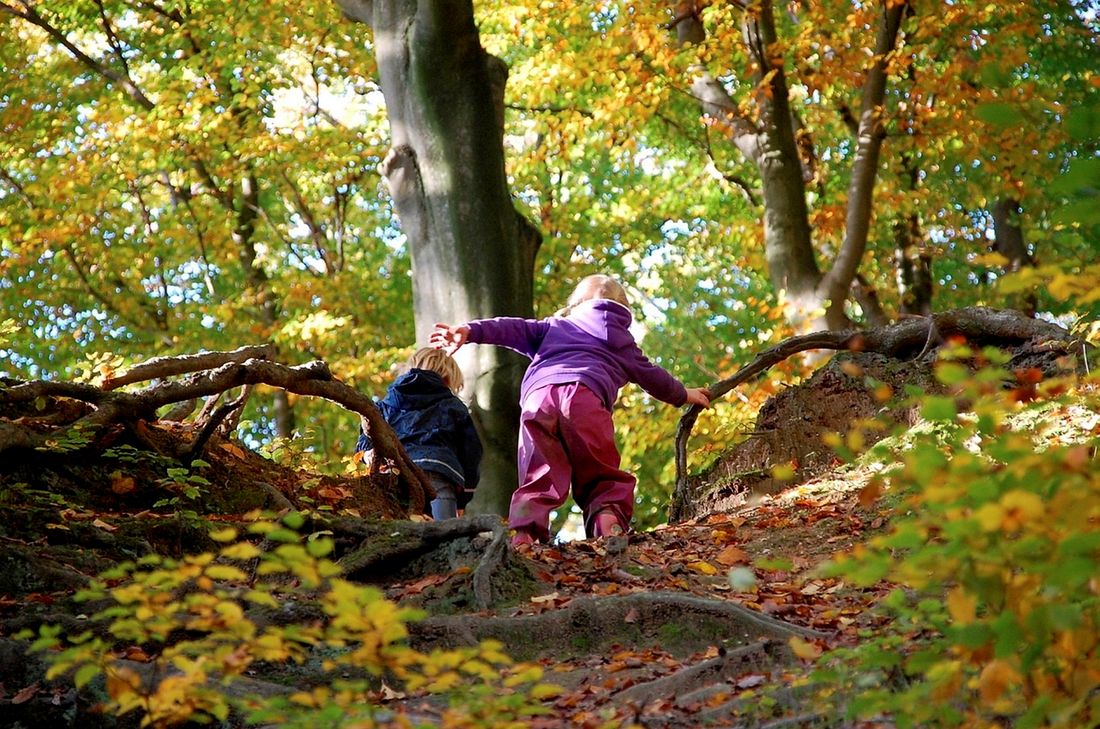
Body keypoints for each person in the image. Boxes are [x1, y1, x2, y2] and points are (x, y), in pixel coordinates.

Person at [430, 274, 710, 545]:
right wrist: (684, 394)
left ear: (574, 304)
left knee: (537, 475)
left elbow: (511, 328)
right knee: (600, 473)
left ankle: (525, 536)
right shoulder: (621, 341)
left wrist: (469, 331)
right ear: (624, 310)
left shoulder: (554, 327)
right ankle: (607, 523)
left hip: (538, 401)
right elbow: (652, 376)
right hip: (585, 399)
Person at [356, 347, 482, 520]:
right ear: (447, 378)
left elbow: (366, 437)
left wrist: (367, 455)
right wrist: (463, 498)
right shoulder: (453, 406)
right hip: (438, 471)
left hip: (396, 471)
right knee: (445, 534)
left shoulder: (386, 404)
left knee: (398, 531)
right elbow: (471, 453)